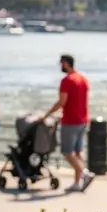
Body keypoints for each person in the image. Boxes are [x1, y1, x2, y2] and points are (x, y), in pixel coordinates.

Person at [40, 54, 93, 192]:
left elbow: (62, 102)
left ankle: (84, 174)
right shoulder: (83, 79)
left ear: (65, 63)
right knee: (77, 152)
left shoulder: (67, 81)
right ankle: (77, 183)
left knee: (67, 152)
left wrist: (47, 114)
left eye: (61, 63)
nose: (60, 66)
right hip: (83, 120)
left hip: (70, 120)